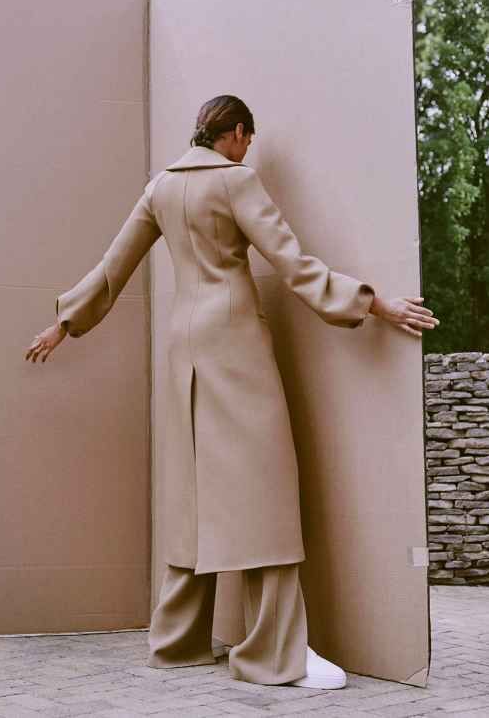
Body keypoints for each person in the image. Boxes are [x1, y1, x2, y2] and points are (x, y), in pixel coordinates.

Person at [24, 94, 439, 689]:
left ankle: (178, 640)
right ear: (236, 133)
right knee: (264, 488)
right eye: (249, 137)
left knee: (195, 492)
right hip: (235, 347)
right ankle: (276, 654)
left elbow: (113, 267)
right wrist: (376, 302)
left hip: (184, 349)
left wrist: (64, 324)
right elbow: (295, 265)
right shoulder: (237, 182)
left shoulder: (160, 188)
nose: (250, 148)